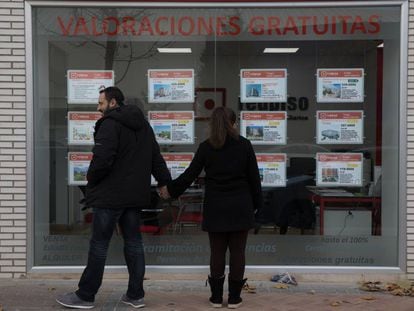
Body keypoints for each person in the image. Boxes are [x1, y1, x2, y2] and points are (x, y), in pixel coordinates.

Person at [56, 87, 171, 309]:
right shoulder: (144, 126)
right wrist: (164, 181)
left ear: (113, 103)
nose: (98, 108)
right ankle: (136, 295)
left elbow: (102, 160)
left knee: (99, 245)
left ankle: (86, 296)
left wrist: (91, 180)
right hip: (134, 196)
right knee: (134, 243)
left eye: (101, 103)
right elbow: (155, 156)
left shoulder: (109, 124)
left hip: (110, 196)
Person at [160, 107, 263, 309]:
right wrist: (257, 205)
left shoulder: (206, 147)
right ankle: (234, 298)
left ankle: (216, 298)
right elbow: (254, 179)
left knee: (216, 252)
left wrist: (170, 191)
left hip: (216, 206)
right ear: (233, 124)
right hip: (240, 205)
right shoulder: (245, 145)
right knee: (238, 252)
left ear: (212, 125)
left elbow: (189, 175)